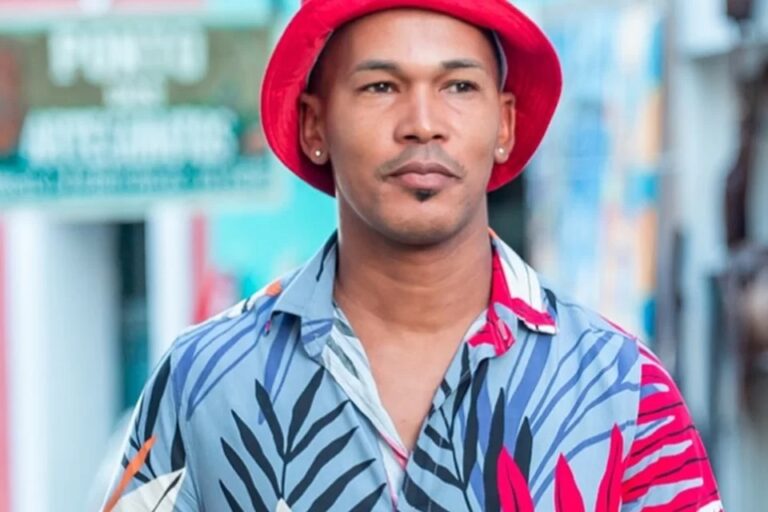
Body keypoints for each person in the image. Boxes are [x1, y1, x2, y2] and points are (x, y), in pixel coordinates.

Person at [102, 0, 724, 510]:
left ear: (504, 124)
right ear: (315, 125)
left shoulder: (620, 387)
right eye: (380, 86)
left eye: (458, 86)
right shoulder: (204, 381)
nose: (423, 123)